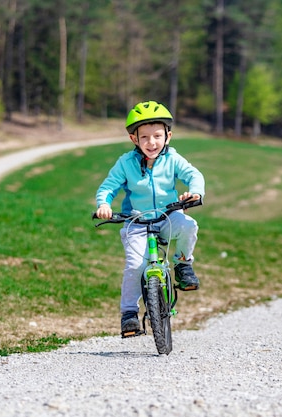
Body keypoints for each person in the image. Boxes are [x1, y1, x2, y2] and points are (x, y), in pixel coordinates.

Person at [94, 100, 205, 336]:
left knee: (188, 225)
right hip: (137, 221)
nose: (151, 142)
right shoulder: (126, 163)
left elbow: (192, 174)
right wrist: (103, 204)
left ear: (168, 136)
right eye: (144, 137)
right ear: (134, 139)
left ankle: (183, 265)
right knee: (135, 266)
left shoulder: (173, 159)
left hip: (167, 217)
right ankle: (129, 315)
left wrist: (195, 192)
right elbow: (108, 187)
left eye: (157, 135)